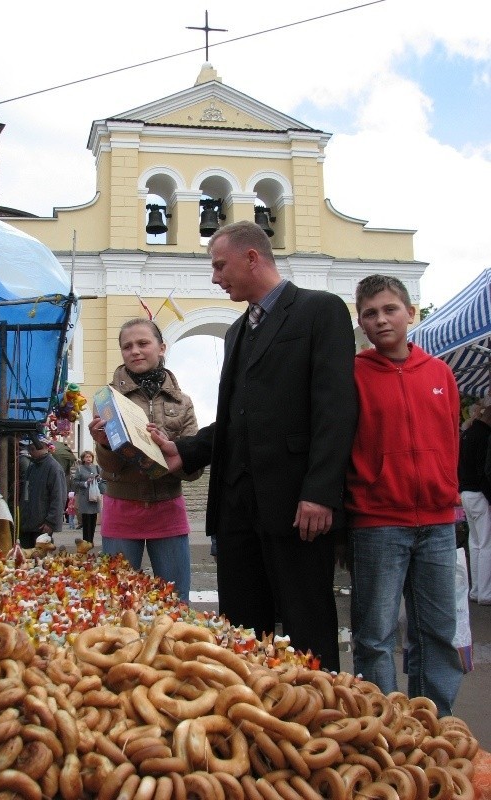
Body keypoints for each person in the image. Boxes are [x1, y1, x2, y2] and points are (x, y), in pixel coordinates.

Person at [149, 220, 357, 669]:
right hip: (238, 511)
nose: (214, 277)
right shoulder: (237, 332)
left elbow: (335, 409)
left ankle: (319, 719)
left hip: (296, 508)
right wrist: (186, 450)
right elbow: (237, 419)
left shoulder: (321, 311)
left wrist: (320, 492)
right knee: (243, 636)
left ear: (251, 257)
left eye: (220, 265)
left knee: (308, 632)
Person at [345, 274, 463, 716]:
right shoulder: (354, 374)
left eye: (389, 309)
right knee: (374, 637)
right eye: (370, 313)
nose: (381, 320)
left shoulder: (439, 373)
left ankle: (436, 725)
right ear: (361, 322)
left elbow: (451, 437)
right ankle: (386, 727)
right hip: (377, 521)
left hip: (436, 521)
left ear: (410, 312)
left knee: (436, 633)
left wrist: (447, 493)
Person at [89, 318, 201, 605]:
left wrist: (174, 448)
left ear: (161, 347)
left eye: (143, 343)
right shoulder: (107, 399)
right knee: (118, 602)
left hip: (168, 508)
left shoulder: (182, 402)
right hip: (121, 510)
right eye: (127, 346)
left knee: (176, 603)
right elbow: (110, 468)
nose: (135, 351)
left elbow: (194, 471)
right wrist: (104, 444)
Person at [461, 405, 491, 605]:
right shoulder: (485, 437)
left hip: (465, 492)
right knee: (486, 544)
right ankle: (485, 593)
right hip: (480, 494)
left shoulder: (467, 434)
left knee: (475, 543)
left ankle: (475, 591)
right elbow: (485, 470)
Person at [18, 434, 68, 549]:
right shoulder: (32, 466)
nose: (30, 452)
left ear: (45, 447)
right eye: (29, 449)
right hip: (27, 524)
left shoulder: (54, 468)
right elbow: (26, 493)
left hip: (42, 525)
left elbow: (58, 497)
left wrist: (51, 522)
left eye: (33, 449)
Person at [71, 450, 100, 545]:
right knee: (86, 520)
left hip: (94, 496)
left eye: (90, 457)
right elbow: (75, 482)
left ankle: (91, 541)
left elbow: (101, 479)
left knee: (93, 519)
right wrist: (85, 483)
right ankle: (85, 541)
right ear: (83, 458)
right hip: (85, 496)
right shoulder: (80, 469)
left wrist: (97, 479)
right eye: (86, 457)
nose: (88, 458)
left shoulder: (96, 467)